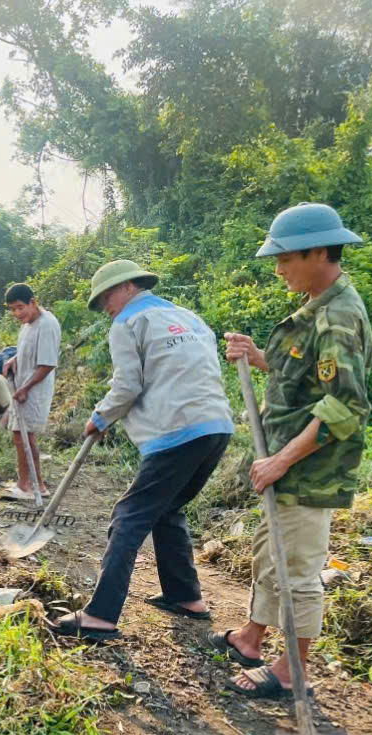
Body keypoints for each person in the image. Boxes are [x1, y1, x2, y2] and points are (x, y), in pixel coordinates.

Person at [210, 203, 372, 699]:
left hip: (307, 470)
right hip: (281, 462)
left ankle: (290, 671)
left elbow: (345, 406)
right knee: (268, 553)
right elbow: (300, 379)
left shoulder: (338, 317)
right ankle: (251, 638)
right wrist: (258, 357)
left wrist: (282, 460)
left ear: (318, 252)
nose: (279, 269)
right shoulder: (315, 305)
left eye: (285, 259)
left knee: (297, 568)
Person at [49, 260, 234, 641]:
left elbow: (128, 386)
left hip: (177, 431)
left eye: (107, 298)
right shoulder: (188, 318)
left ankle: (100, 616)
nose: (106, 308)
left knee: (128, 516)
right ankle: (186, 597)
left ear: (129, 287)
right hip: (216, 426)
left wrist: (100, 417)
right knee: (168, 508)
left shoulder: (128, 322)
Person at [2, 284, 61, 500]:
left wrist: (25, 388)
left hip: (34, 390)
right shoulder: (28, 324)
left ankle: (29, 486)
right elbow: (28, 351)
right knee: (21, 436)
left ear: (33, 302)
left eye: (20, 307)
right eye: (12, 309)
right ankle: (32, 485)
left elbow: (47, 364)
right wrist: (13, 359)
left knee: (25, 436)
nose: (17, 313)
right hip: (22, 387)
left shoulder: (47, 325)